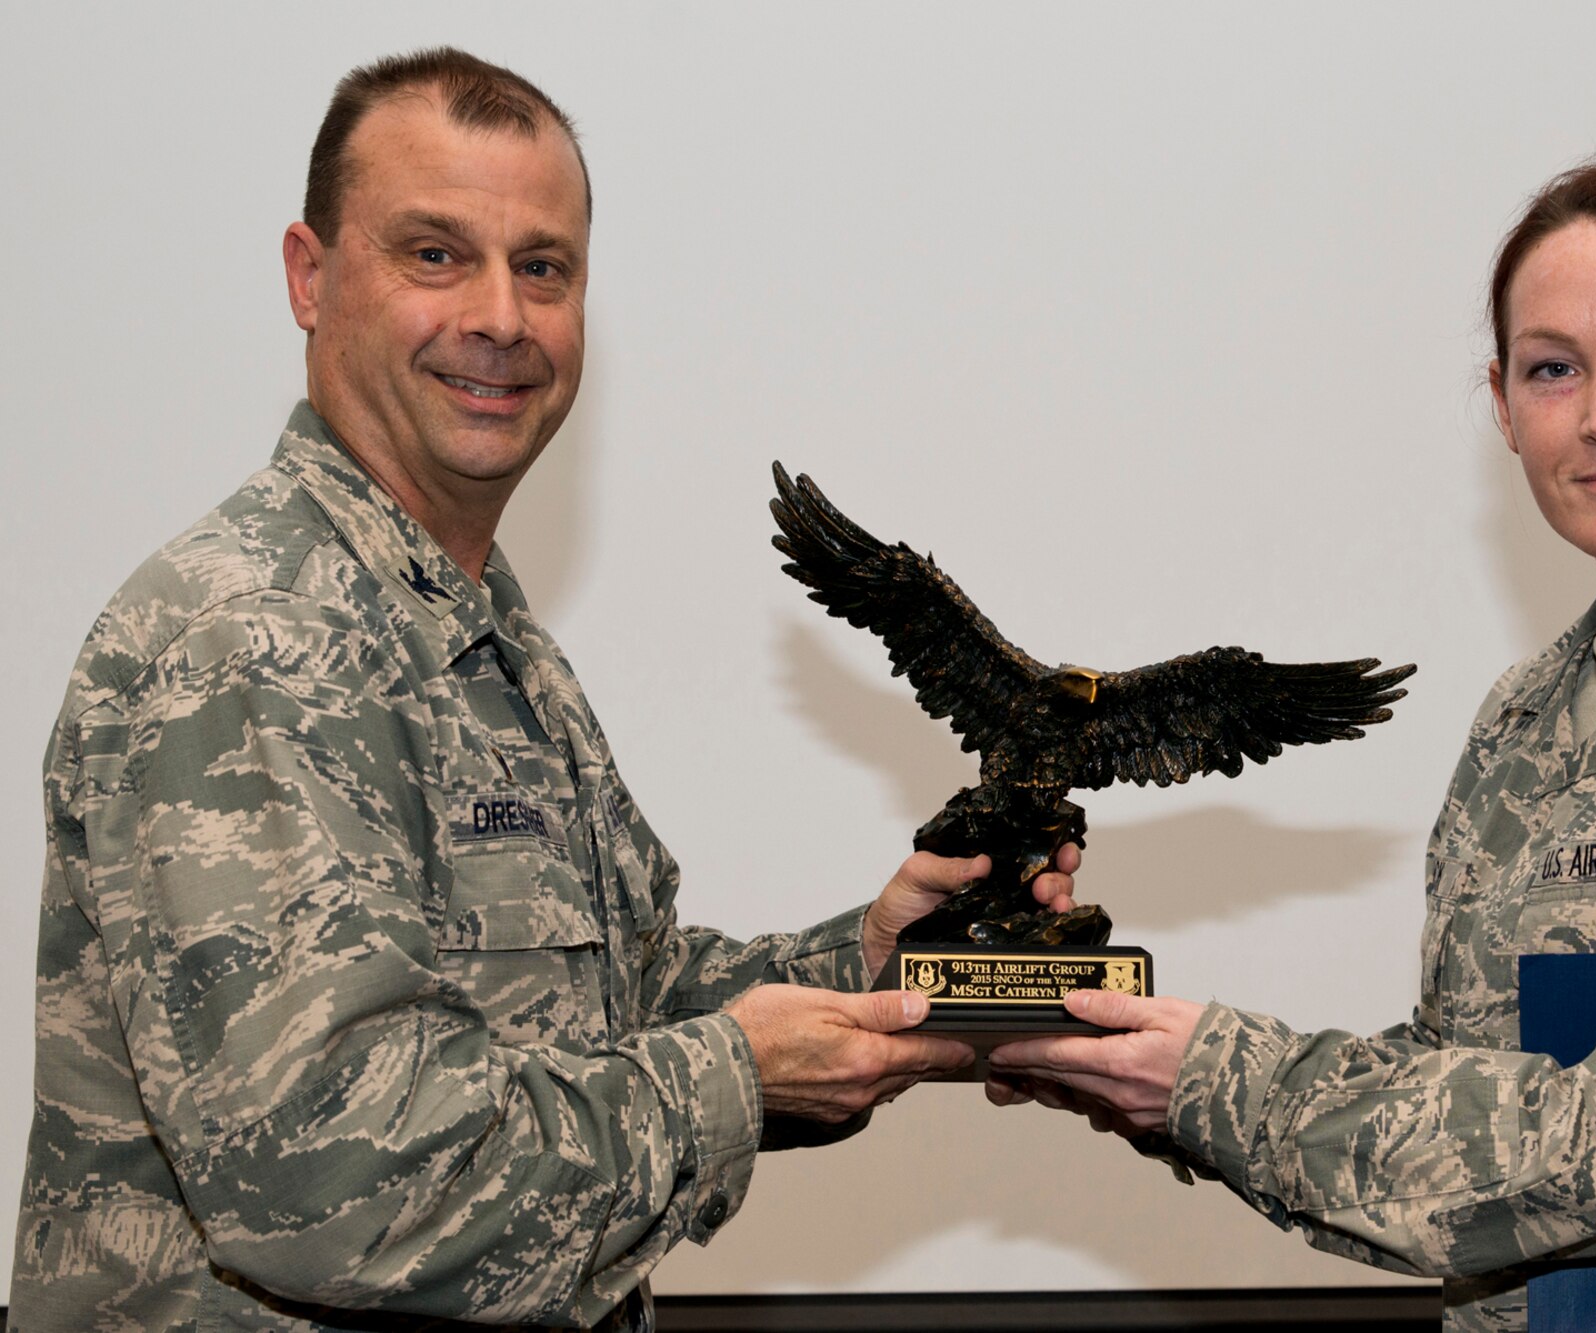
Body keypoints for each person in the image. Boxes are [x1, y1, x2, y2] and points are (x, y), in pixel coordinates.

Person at [13, 48, 1078, 1330]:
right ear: (311, 276)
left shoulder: (478, 629)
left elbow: (599, 1009)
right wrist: (740, 1073)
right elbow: (338, 1187)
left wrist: (868, 965)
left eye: (543, 267)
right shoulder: (254, 636)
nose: (501, 320)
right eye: (433, 255)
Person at [986, 160, 1596, 1331]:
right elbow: (1460, 1139)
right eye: (1552, 369)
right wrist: (1141, 1077)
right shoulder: (1527, 717)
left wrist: (1215, 1076)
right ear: (1504, 403)